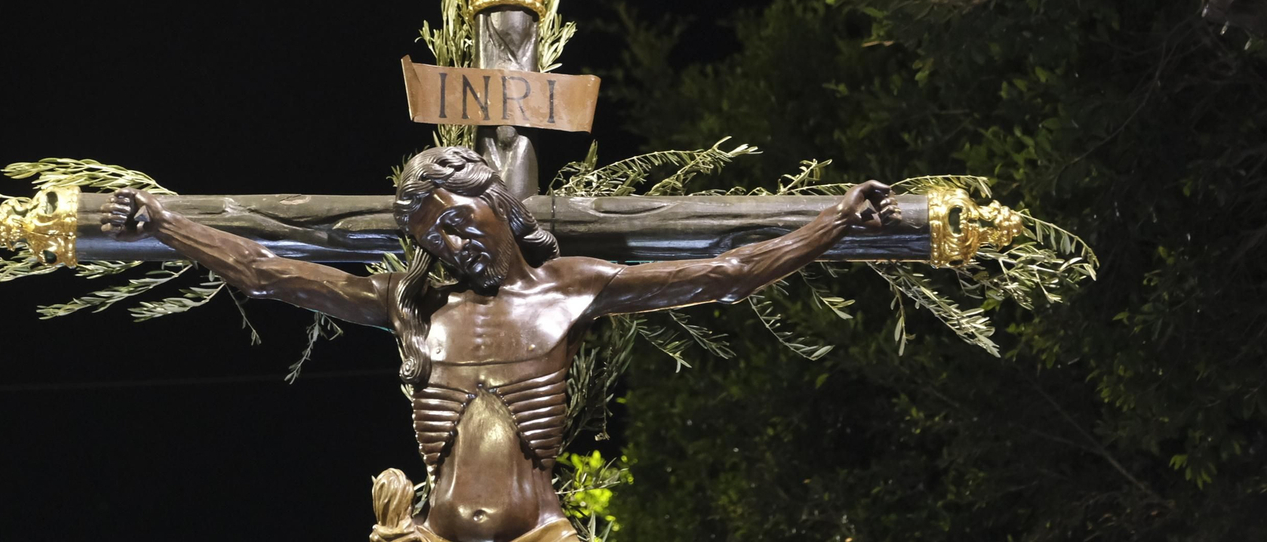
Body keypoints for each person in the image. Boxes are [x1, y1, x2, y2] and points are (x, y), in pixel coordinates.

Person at [101, 146, 900, 542]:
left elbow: (724, 272)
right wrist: (167, 223)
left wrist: (831, 224)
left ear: (499, 202)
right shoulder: (407, 306)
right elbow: (267, 269)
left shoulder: (572, 286)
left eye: (457, 218)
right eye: (433, 239)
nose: (452, 244)